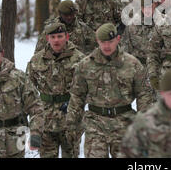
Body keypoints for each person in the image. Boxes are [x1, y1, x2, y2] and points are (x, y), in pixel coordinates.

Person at [65, 23, 153, 158]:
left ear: (118, 39)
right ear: (97, 41)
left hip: (124, 122)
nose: (106, 46)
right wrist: (71, 124)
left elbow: (143, 94)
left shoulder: (132, 64)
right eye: (103, 42)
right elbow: (77, 96)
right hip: (95, 123)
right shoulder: (85, 65)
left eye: (110, 42)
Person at [27, 23, 85, 158]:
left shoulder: (80, 59)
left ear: (67, 36)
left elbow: (89, 88)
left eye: (60, 36)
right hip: (46, 120)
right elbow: (28, 91)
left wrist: (75, 105)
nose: (56, 40)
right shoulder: (37, 60)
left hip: (71, 119)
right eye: (53, 37)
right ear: (47, 38)